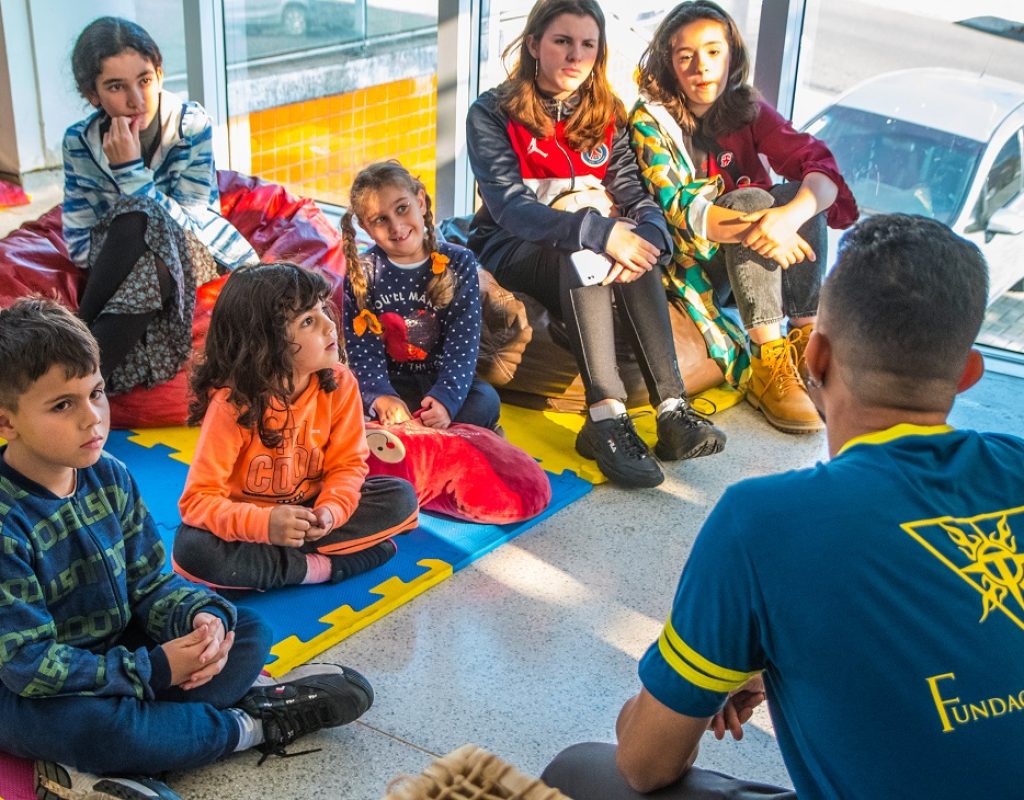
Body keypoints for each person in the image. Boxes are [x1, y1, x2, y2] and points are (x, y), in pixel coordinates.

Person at [540, 214, 1024, 799]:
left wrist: (714, 672)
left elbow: (645, 763)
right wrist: (791, 657)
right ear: (969, 373)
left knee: (580, 771)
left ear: (814, 360)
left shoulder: (764, 521)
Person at [0, 298, 376, 799]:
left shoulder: (109, 474)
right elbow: (28, 666)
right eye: (62, 405)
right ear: (6, 423)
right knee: (94, 727)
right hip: (35, 690)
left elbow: (152, 584)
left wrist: (200, 622)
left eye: (96, 393)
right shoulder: (6, 522)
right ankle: (248, 725)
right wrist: (154, 669)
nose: (92, 418)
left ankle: (141, 748)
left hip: (123, 656)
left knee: (247, 628)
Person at [466, 0, 725, 489]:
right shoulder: (492, 113)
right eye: (562, 41)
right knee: (593, 244)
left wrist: (649, 231)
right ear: (534, 44)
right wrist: (602, 231)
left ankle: (672, 411)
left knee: (635, 248)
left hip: (588, 242)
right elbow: (510, 208)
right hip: (509, 247)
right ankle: (605, 417)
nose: (575, 56)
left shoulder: (606, 112)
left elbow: (635, 192)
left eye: (588, 44)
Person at [630, 0, 857, 434]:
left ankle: (806, 341)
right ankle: (768, 359)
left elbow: (822, 169)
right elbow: (681, 211)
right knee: (751, 198)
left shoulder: (745, 106)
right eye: (686, 57)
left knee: (795, 192)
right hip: (696, 259)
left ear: (732, 54)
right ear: (668, 63)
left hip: (763, 262)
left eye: (714, 51)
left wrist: (787, 217)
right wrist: (763, 224)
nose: (702, 67)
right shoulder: (649, 119)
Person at [173, 262, 419, 591]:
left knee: (401, 497)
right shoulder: (232, 404)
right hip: (253, 525)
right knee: (193, 550)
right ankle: (323, 567)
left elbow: (347, 465)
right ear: (265, 344)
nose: (329, 325)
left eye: (322, 310)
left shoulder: (340, 383)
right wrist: (265, 526)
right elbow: (197, 501)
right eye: (308, 321)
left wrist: (331, 511)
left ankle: (283, 566)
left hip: (314, 514)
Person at [63, 17, 257, 395]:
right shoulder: (79, 142)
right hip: (122, 257)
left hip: (196, 249)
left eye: (145, 80)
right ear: (93, 94)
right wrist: (129, 235)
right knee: (144, 243)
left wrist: (131, 173)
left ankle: (74, 346)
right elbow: (78, 241)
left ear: (160, 75)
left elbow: (197, 218)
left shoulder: (191, 126)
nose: (136, 99)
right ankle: (85, 378)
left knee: (145, 217)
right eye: (116, 87)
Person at [340, 160, 501, 431]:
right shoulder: (363, 274)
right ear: (366, 229)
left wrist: (445, 400)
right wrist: (382, 397)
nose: (396, 226)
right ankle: (427, 438)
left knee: (486, 402)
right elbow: (363, 352)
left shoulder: (458, 262)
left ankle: (413, 438)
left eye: (402, 209)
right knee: (346, 405)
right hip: (393, 383)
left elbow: (464, 343)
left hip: (445, 378)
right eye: (381, 220)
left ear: (421, 202)